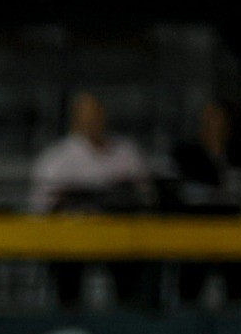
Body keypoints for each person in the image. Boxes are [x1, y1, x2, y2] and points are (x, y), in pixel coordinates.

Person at [29, 92, 155, 309]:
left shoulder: (127, 152)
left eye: (96, 115)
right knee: (66, 267)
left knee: (143, 263)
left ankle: (134, 321)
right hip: (72, 239)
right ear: (75, 119)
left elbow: (148, 197)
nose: (92, 121)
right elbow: (39, 208)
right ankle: (67, 318)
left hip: (121, 238)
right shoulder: (57, 158)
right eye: (86, 115)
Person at [170, 98, 241, 307]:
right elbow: (180, 192)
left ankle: (235, 316)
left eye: (219, 119)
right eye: (210, 119)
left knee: (238, 267)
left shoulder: (240, 151)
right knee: (191, 273)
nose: (215, 124)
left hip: (231, 229)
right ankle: (187, 315)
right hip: (195, 229)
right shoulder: (186, 152)